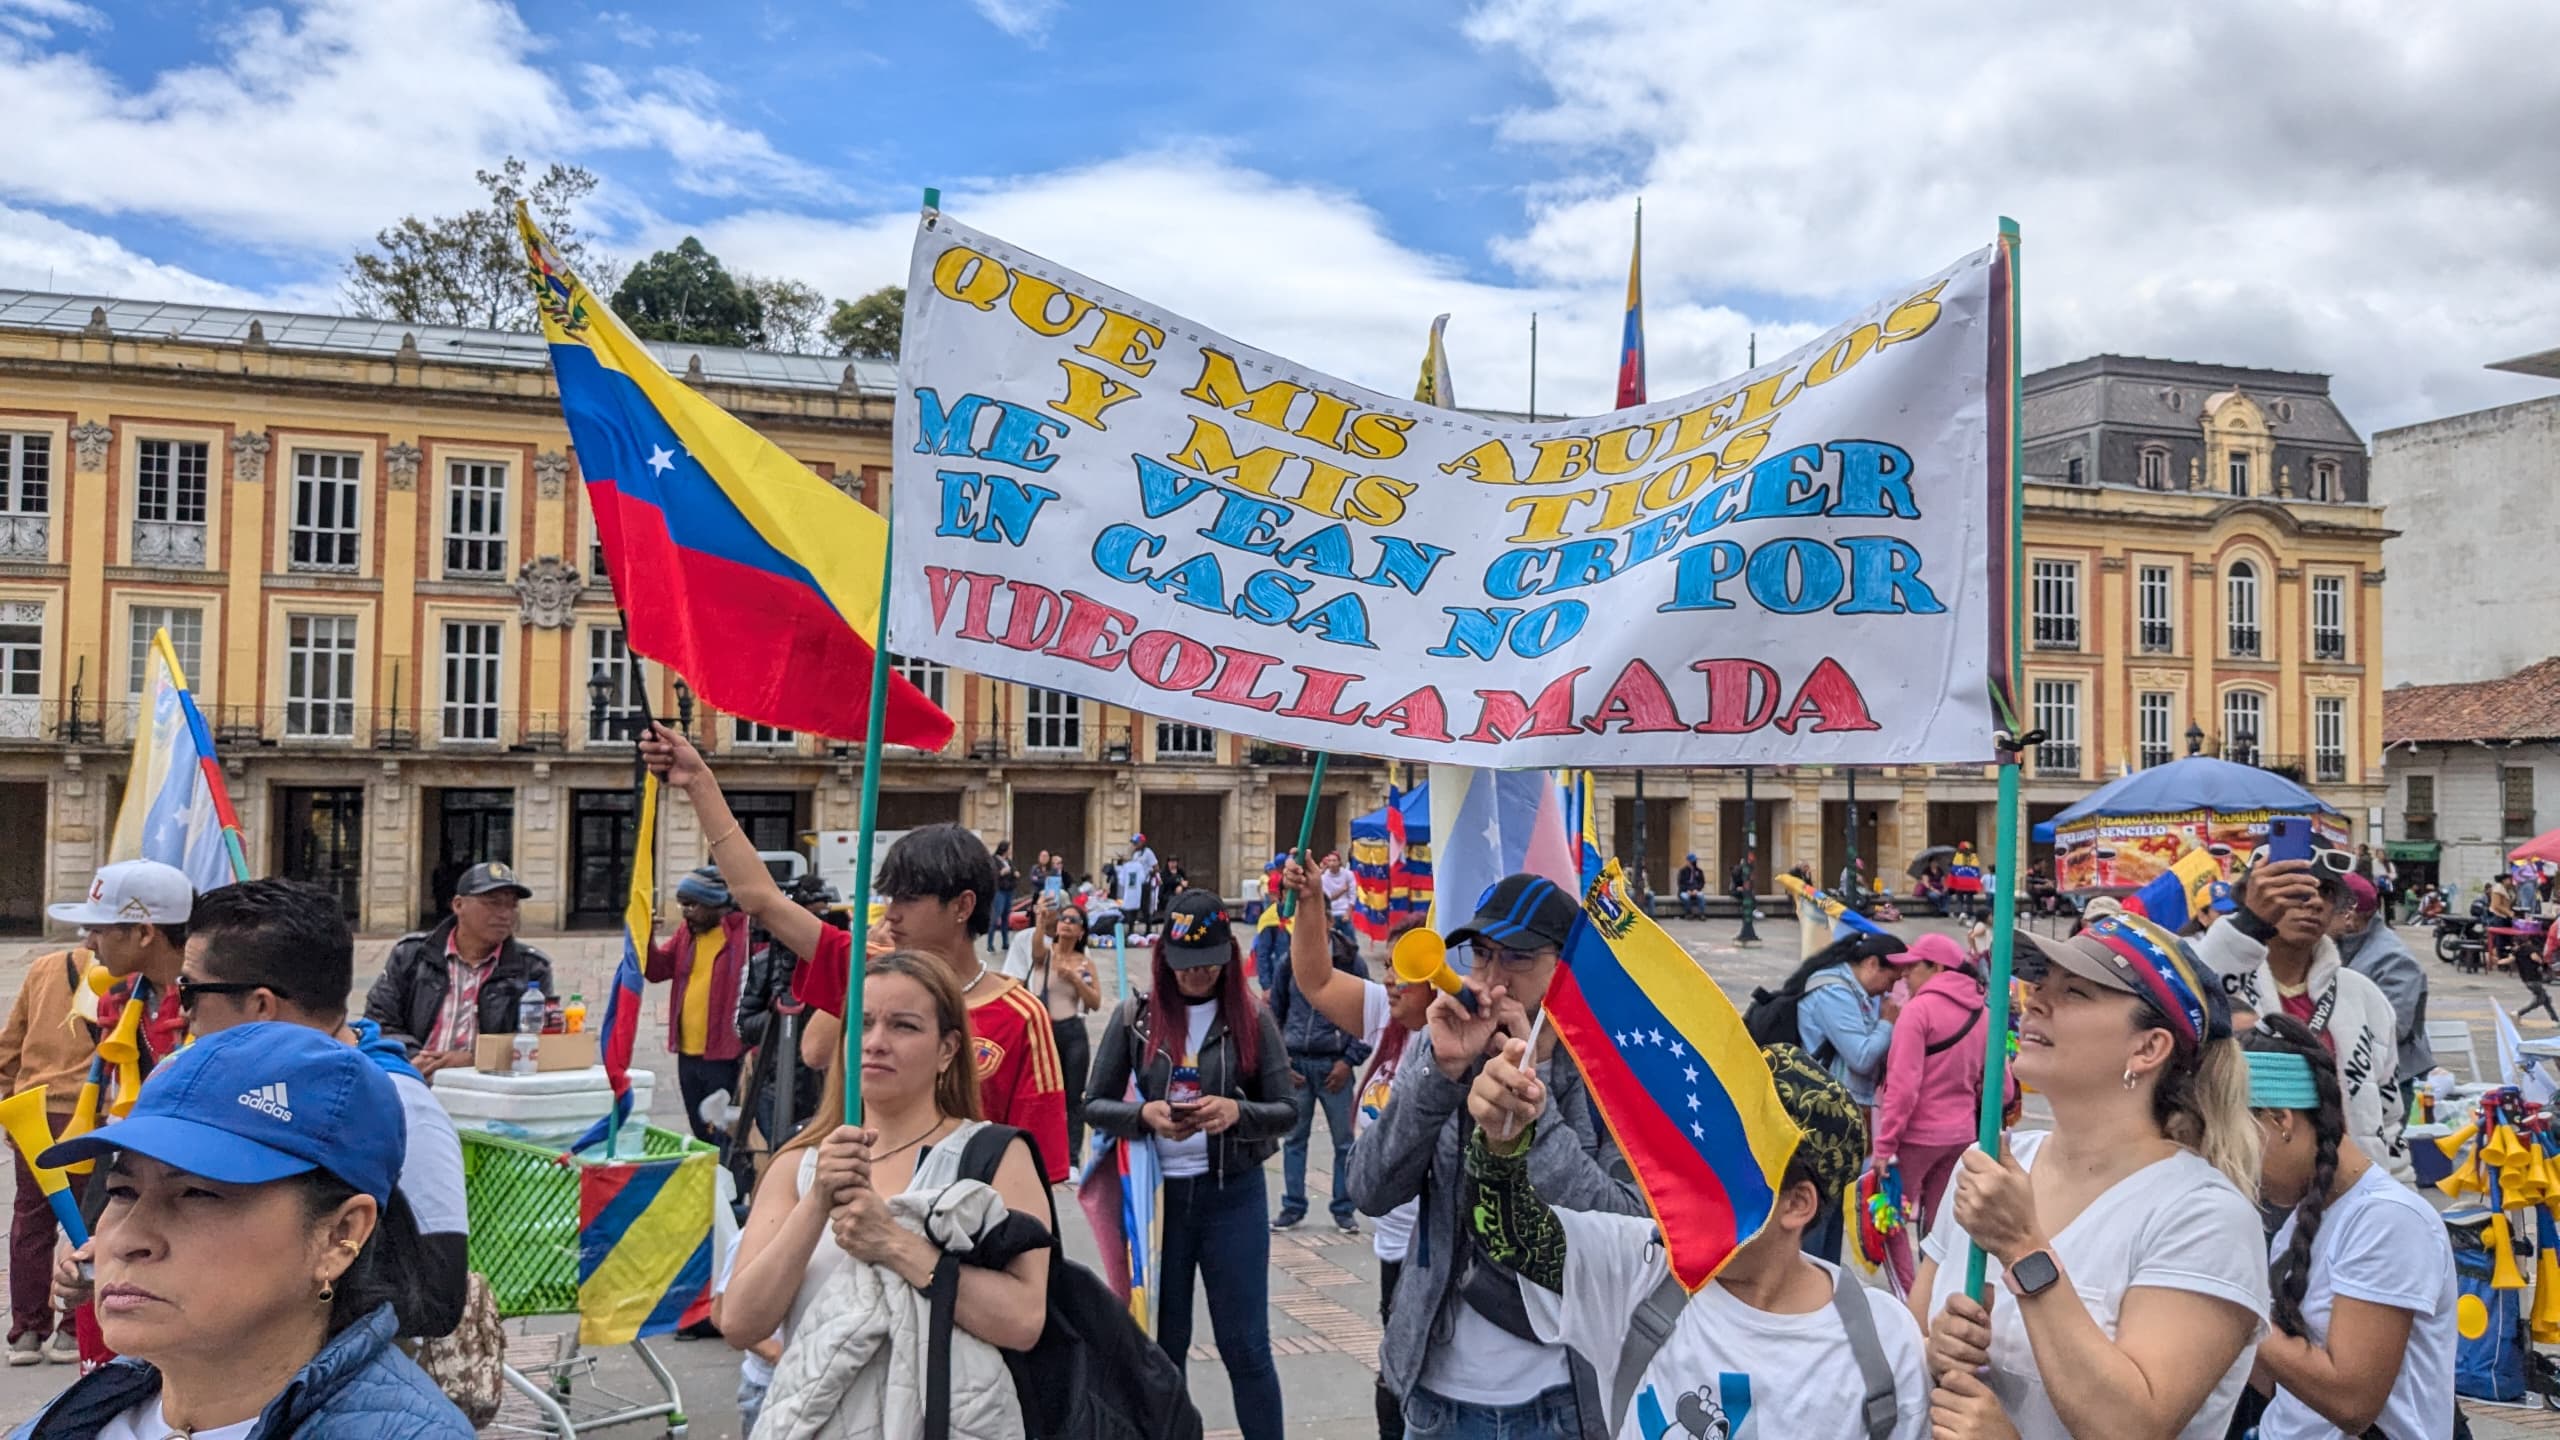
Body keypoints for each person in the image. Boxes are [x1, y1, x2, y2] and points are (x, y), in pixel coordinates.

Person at [641, 723, 1070, 1182]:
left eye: (908, 899)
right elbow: (760, 899)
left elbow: (1037, 1174)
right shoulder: (870, 967)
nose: (892, 914)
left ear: (963, 906)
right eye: (890, 898)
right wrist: (699, 781)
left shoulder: (1020, 1016)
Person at [15, 1024, 472, 1440]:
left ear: (339, 1237)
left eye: (197, 1193)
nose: (128, 1239)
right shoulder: (82, 1415)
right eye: (122, 1191)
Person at [1913, 911, 2268, 1440]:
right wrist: (1935, 1348)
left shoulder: (2204, 1216)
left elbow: (2133, 1424)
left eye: (2076, 992)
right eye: (2040, 984)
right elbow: (1910, 1334)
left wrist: (2021, 1246)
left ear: (2147, 1048)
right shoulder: (1994, 1164)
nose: (2034, 1001)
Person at [1465, 1036, 1930, 1440]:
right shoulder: (1643, 1267)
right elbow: (1507, 1236)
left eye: (1726, 1165)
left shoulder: (1883, 1342)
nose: (1689, 1175)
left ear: (1796, 1204)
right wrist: (1498, 1144)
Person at [1348, 873, 1643, 1440]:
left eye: (1517, 959)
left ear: (1565, 971)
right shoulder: (1442, 1042)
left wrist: (1537, 1109)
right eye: (1481, 955)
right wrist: (1440, 1073)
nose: (1490, 980)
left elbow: (1622, 1226)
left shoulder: (1612, 1070)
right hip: (1437, 1395)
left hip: (1564, 1397)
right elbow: (1368, 1188)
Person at [719, 952, 1050, 1437]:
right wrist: (817, 1202)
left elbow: (1024, 1320)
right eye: (864, 1023)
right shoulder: (798, 1163)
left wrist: (894, 1245)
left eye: (904, 1026)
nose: (876, 1043)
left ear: (947, 1048)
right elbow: (741, 1323)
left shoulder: (995, 1159)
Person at [177, 879, 470, 1342]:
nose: (182, 1013)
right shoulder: (206, 1084)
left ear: (260, 1005)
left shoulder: (400, 1105)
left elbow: (436, 1300)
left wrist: (247, 1292)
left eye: (190, 991)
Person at [1085, 890, 1294, 1440]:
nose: (1197, 975)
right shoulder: (1136, 1017)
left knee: (1246, 1346)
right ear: (1164, 960)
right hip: (1160, 1206)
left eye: (1209, 963)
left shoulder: (1252, 1017)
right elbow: (1092, 1105)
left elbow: (1288, 1111)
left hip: (1234, 1198)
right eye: (1184, 966)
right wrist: (1146, 1114)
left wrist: (1236, 1111)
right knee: (1163, 1347)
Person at [2239, 1015, 2456, 1440]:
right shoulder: (2305, 1218)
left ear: (2281, 1120)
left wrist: (2237, 1308)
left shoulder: (2388, 1221)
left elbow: (2351, 1403)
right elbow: (2288, 1387)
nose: (2237, 1169)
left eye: (2236, 1144)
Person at [1277, 859, 1430, 1440]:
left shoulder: (1460, 1040)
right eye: (1388, 967)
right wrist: (1314, 901)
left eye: (1405, 971)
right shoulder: (1387, 1017)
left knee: (1405, 1391)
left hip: (1437, 1250)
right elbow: (1315, 980)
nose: (1390, 981)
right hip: (1393, 1247)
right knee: (1396, 1380)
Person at [45, 861, 195, 1371]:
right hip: (116, 1187)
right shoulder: (117, 1003)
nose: (89, 943)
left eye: (99, 929)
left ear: (145, 932)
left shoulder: (216, 1005)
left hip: (187, 1204)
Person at [2194, 855, 2409, 1182]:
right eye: (2294, 889)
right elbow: (2193, 1004)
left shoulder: (2364, 996)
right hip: (2244, 1188)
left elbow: (2389, 1114)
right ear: (2256, 894)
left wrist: (2400, 1189)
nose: (2313, 902)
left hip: (2347, 1191)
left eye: (2325, 891)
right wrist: (2249, 924)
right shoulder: (2224, 979)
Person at [1870, 933, 2012, 1228]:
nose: (1904, 976)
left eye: (1912, 967)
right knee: (1941, 1229)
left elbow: (1903, 1088)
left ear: (1937, 967)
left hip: (1916, 1138)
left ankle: (1908, 1279)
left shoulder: (1917, 1012)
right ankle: (1933, 1277)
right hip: (1961, 1137)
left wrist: (1884, 1147)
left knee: (1889, 1224)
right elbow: (2004, 1088)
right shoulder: (1984, 1013)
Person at [0, 933, 94, 1367]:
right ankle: (72, 1330)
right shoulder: (124, 977)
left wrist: (7, 1106)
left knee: (30, 1221)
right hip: (89, 1112)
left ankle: (26, 1331)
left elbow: (9, 1047)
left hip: (34, 1110)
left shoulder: (42, 969)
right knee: (87, 1222)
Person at [362, 863, 554, 1075]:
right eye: (493, 903)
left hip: (489, 1087)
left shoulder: (531, 968)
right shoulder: (412, 955)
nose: (505, 914)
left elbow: (538, 1041)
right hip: (415, 1076)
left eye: (512, 905)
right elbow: (378, 1021)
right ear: (458, 905)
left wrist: (474, 1059)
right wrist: (415, 1057)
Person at [1269, 918, 1371, 1234]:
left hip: (1335, 1065)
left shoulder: (1350, 961)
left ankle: (1343, 1209)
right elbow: (1275, 1013)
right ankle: (1292, 1207)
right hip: (1297, 1064)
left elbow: (1370, 1014)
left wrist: (1349, 1060)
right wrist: (1283, 1059)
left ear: (1327, 921)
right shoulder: (1289, 961)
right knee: (1294, 1139)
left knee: (1344, 1141)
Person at [735, 875, 836, 1181]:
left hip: (823, 1086)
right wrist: (785, 1017)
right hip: (773, 1083)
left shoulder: (835, 965)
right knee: (781, 1164)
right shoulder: (766, 964)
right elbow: (744, 1026)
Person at [647, 866, 750, 1148]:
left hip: (725, 1056)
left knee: (724, 1135)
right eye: (683, 905)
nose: (685, 912)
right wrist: (644, 938)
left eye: (692, 905)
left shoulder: (743, 935)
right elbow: (656, 970)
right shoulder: (687, 934)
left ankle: (731, 1186)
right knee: (700, 1132)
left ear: (716, 903)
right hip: (688, 1054)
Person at [2330, 872, 2432, 1122]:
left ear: (2349, 916)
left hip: (2387, 1081)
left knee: (2379, 1156)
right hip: (2353, 1076)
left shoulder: (2393, 959)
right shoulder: (2341, 945)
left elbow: (2393, 1028)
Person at [1795, 930, 1907, 1111]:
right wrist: (1886, 1023)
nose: (1889, 989)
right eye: (1890, 980)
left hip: (1849, 1101)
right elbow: (1861, 1058)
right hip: (1831, 1105)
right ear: (1872, 963)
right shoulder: (1833, 993)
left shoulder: (1858, 991)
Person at [1028, 898, 1102, 1167]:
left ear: (1082, 931)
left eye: (1073, 921)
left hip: (1072, 1032)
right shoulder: (1046, 954)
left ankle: (1071, 1160)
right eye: (1063, 919)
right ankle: (1039, 1154)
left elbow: (1095, 1002)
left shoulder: (1084, 962)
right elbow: (1035, 951)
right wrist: (1040, 921)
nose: (1067, 924)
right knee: (1042, 1095)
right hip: (1044, 1032)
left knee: (1073, 1098)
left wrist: (1074, 981)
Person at [990, 840, 1018, 956]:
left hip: (1009, 891)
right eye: (1009, 848)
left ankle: (1005, 942)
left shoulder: (1008, 861)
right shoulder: (994, 860)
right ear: (1004, 849)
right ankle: (990, 944)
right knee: (995, 916)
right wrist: (1001, 872)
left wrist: (1015, 873)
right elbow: (992, 875)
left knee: (1006, 917)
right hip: (999, 891)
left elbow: (1013, 871)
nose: (1010, 850)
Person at [1675, 854, 1707, 921]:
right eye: (1691, 862)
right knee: (1685, 897)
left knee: (1701, 896)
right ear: (1687, 861)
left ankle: (1702, 914)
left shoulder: (1699, 871)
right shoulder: (1682, 871)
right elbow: (1680, 883)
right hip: (1685, 891)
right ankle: (1689, 913)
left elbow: (1702, 883)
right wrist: (1687, 890)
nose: (1692, 863)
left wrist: (1696, 889)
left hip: (1695, 890)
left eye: (1694, 862)